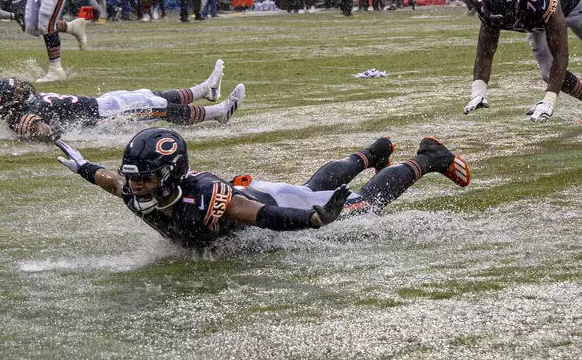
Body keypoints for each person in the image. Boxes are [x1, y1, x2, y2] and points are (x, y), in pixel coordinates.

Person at [54, 129, 470, 249]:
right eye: (135, 177)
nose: (136, 186)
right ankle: (371, 153)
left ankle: (428, 157)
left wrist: (313, 220)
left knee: (359, 206)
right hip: (267, 192)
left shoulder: (206, 200)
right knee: (311, 186)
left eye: (144, 178)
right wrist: (85, 167)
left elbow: (262, 217)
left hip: (271, 201)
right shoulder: (137, 188)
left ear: (170, 174)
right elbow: (111, 181)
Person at [0, 60, 244, 142]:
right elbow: (39, 128)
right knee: (159, 109)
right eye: (15, 94)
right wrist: (47, 132)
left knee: (151, 96)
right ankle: (218, 112)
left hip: (101, 104)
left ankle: (205, 88)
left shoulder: (19, 107)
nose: (21, 91)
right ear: (10, 107)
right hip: (102, 117)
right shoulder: (26, 116)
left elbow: (5, 104)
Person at [465, 0, 582, 123]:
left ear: (519, 1)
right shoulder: (490, 8)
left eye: (506, 16)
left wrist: (549, 100)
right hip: (536, 18)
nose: (502, 23)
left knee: (556, 63)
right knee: (548, 72)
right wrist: (478, 91)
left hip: (575, 1)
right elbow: (485, 54)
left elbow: (560, 55)